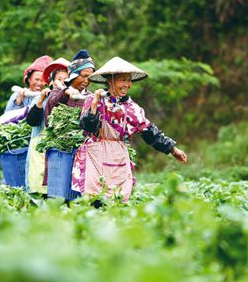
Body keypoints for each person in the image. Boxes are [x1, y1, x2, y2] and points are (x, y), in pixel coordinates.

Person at [71, 57, 187, 202]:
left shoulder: (133, 108)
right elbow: (87, 127)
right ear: (110, 80)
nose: (127, 84)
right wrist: (94, 104)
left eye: (129, 80)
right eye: (122, 80)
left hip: (118, 156)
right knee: (95, 200)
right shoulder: (95, 100)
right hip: (96, 154)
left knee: (119, 200)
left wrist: (173, 150)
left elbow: (150, 133)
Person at [26, 49, 95, 201]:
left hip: (81, 148)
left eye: (89, 76)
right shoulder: (57, 93)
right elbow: (51, 104)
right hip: (58, 149)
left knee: (77, 193)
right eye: (84, 76)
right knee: (55, 191)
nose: (86, 80)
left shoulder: (90, 96)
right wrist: (65, 92)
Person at [25, 57, 70, 194]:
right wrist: (40, 101)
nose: (62, 83)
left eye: (66, 80)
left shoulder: (71, 99)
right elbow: (32, 121)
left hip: (61, 149)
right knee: (38, 185)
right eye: (59, 79)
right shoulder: (41, 98)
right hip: (40, 146)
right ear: (51, 81)